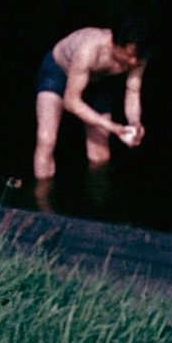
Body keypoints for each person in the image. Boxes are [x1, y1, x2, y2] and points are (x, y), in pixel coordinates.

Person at [31, 20, 148, 205]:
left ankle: (97, 206)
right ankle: (42, 203)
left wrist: (134, 122)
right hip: (59, 71)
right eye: (130, 55)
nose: (133, 62)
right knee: (47, 138)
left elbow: (132, 91)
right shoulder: (90, 48)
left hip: (98, 81)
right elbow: (71, 102)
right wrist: (113, 127)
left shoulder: (139, 57)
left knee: (100, 155)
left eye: (138, 57)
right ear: (116, 45)